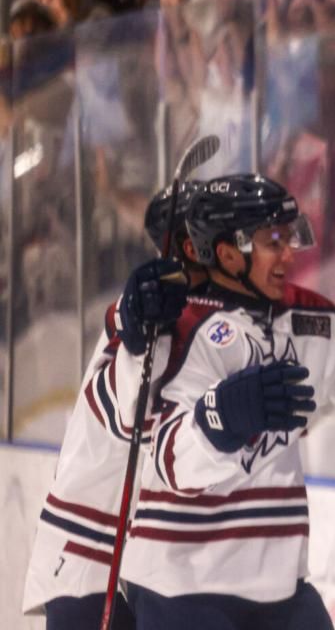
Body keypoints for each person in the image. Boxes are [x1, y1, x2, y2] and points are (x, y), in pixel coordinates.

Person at [111, 174, 335, 628]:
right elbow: (166, 455)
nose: (290, 253)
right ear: (228, 254)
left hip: (279, 586)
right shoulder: (178, 326)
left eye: (290, 237)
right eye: (273, 241)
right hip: (183, 587)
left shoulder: (303, 315)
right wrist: (220, 419)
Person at [22, 182, 201, 629]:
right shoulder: (144, 309)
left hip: (136, 563)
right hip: (87, 560)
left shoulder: (199, 319)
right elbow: (129, 403)